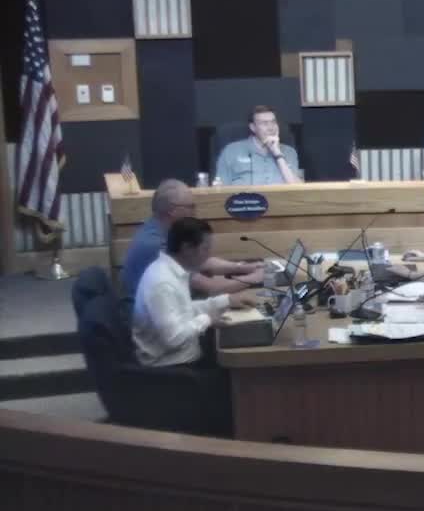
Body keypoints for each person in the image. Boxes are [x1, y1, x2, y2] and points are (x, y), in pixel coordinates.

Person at [132, 217, 259, 369]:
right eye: (206, 248)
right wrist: (208, 320)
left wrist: (227, 300)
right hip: (172, 366)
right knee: (248, 361)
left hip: (183, 355)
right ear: (187, 248)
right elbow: (174, 338)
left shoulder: (171, 270)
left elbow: (183, 310)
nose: (209, 254)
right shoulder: (162, 283)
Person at [120, 179, 263, 299]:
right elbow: (211, 288)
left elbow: (202, 261)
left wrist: (244, 268)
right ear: (173, 211)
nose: (195, 212)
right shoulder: (155, 245)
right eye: (191, 207)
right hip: (149, 321)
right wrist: (253, 279)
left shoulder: (160, 229)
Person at [214, 106, 302, 186]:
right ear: (253, 127)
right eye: (264, 123)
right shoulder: (231, 151)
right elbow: (219, 189)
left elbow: (297, 189)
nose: (270, 128)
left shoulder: (289, 152)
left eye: (273, 122)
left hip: (279, 198)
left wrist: (277, 153)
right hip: (244, 198)